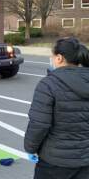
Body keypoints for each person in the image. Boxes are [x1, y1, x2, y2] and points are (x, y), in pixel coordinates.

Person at [24, 37, 89, 179]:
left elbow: (39, 124)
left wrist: (30, 148)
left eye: (52, 56)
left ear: (59, 58)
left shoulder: (48, 84)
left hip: (54, 163)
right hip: (84, 162)